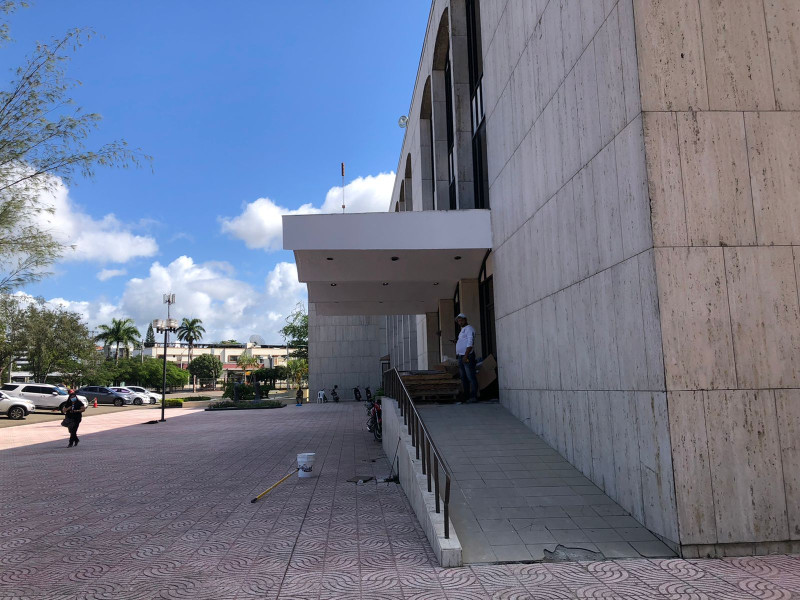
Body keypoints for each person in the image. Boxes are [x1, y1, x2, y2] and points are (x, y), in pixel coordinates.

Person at [455, 313, 479, 403]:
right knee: (463, 377)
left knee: (470, 376)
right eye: (458, 321)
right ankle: (466, 396)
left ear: (465, 320)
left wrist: (466, 355)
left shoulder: (469, 329)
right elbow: (464, 341)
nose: (460, 322)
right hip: (461, 356)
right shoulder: (462, 330)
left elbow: (470, 342)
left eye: (461, 320)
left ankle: (473, 396)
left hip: (467, 356)